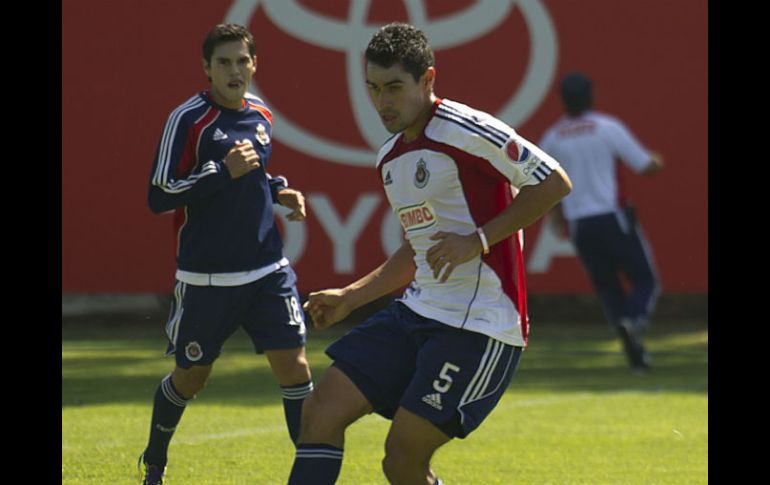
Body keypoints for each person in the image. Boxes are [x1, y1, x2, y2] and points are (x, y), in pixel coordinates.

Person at [288, 23, 572, 485]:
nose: (382, 102)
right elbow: (414, 249)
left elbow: (554, 182)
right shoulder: (390, 157)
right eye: (374, 89)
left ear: (428, 80)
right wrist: (352, 297)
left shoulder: (467, 129)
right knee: (320, 411)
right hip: (417, 312)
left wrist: (476, 241)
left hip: (480, 324)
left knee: (401, 458)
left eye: (395, 88)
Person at [138, 24, 314, 485]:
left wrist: (280, 191)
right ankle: (155, 461)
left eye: (242, 61)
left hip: (267, 271)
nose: (234, 70)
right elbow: (159, 195)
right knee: (191, 378)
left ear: (255, 64)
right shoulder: (188, 120)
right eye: (224, 62)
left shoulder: (261, 113)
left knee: (295, 369)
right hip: (207, 280)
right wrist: (219, 171)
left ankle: (312, 474)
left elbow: (255, 175)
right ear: (206, 68)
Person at [539, 72, 664, 371]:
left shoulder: (553, 137)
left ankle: (635, 355)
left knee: (608, 288)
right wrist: (658, 159)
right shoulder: (607, 127)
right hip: (614, 217)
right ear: (590, 95)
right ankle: (633, 321)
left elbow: (541, 182)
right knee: (645, 280)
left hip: (580, 225)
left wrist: (556, 218)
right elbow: (646, 165)